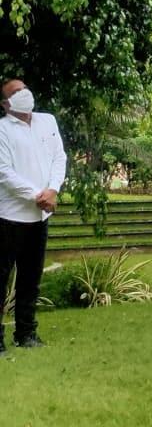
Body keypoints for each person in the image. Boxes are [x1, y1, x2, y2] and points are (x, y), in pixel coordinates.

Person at [0, 79, 66, 353]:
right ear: (5, 104)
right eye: (15, 92)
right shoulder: (2, 129)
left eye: (24, 88)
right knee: (2, 278)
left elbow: (59, 158)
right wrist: (37, 195)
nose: (23, 93)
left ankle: (26, 333)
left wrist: (52, 189)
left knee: (30, 279)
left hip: (40, 219)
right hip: (9, 217)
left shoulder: (47, 121)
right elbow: (4, 171)